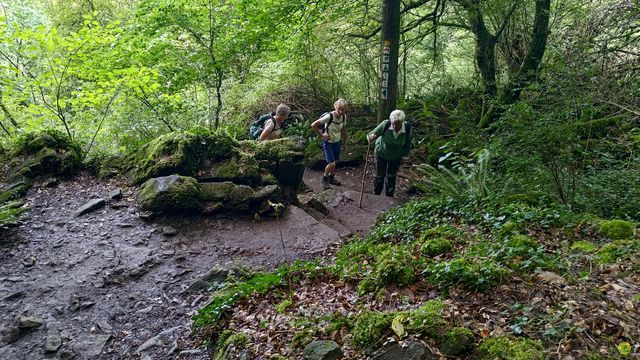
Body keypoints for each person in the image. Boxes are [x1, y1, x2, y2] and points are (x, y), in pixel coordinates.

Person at [367, 109, 412, 197]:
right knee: (379, 176)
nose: (395, 126)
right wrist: (371, 137)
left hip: (396, 155)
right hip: (381, 153)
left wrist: (405, 156)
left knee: (391, 176)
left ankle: (389, 196)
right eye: (393, 123)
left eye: (397, 124)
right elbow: (370, 134)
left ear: (402, 122)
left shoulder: (407, 127)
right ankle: (376, 194)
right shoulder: (386, 124)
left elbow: (408, 143)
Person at [311, 99, 349, 189]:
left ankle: (331, 178)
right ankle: (324, 178)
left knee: (335, 162)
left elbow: (344, 130)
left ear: (345, 109)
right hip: (328, 142)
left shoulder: (344, 117)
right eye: (338, 109)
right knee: (331, 163)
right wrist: (322, 135)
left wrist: (345, 143)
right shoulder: (329, 117)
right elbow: (313, 125)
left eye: (342, 109)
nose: (340, 111)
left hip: (337, 141)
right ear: (335, 107)